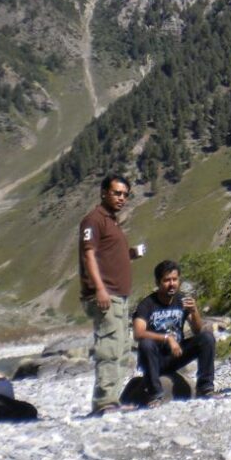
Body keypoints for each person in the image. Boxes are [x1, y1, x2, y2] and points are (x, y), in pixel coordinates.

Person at [78, 174, 144, 415]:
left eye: (125, 194)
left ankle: (112, 400)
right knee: (109, 346)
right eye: (117, 193)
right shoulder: (93, 220)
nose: (122, 198)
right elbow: (89, 255)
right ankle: (104, 402)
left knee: (121, 347)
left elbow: (110, 256)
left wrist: (131, 254)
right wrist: (99, 288)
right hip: (106, 294)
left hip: (119, 294)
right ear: (104, 192)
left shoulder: (112, 222)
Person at [132, 260, 216, 406]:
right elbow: (138, 333)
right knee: (146, 343)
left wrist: (194, 311)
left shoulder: (182, 300)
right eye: (167, 280)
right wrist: (166, 338)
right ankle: (155, 396)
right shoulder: (147, 304)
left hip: (176, 354)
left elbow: (197, 330)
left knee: (207, 338)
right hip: (154, 358)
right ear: (158, 282)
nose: (172, 284)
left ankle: (205, 388)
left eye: (175, 279)